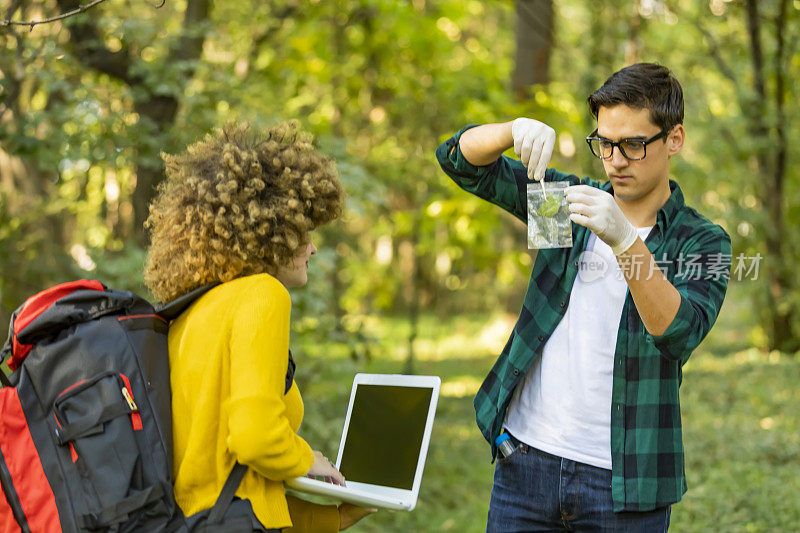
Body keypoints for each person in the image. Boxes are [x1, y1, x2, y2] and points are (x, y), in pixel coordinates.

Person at [435, 63, 732, 531]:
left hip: (626, 484)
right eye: (604, 143)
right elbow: (459, 162)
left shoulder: (699, 240)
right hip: (525, 465)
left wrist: (625, 242)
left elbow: (678, 334)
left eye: (634, 144)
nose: (615, 160)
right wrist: (510, 131)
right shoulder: (569, 205)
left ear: (674, 139)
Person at [144, 121, 375, 532]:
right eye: (303, 231)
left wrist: (332, 519)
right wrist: (308, 459)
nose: (312, 246)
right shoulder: (263, 295)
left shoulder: (192, 312)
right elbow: (255, 437)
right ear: (272, 229)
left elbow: (237, 492)